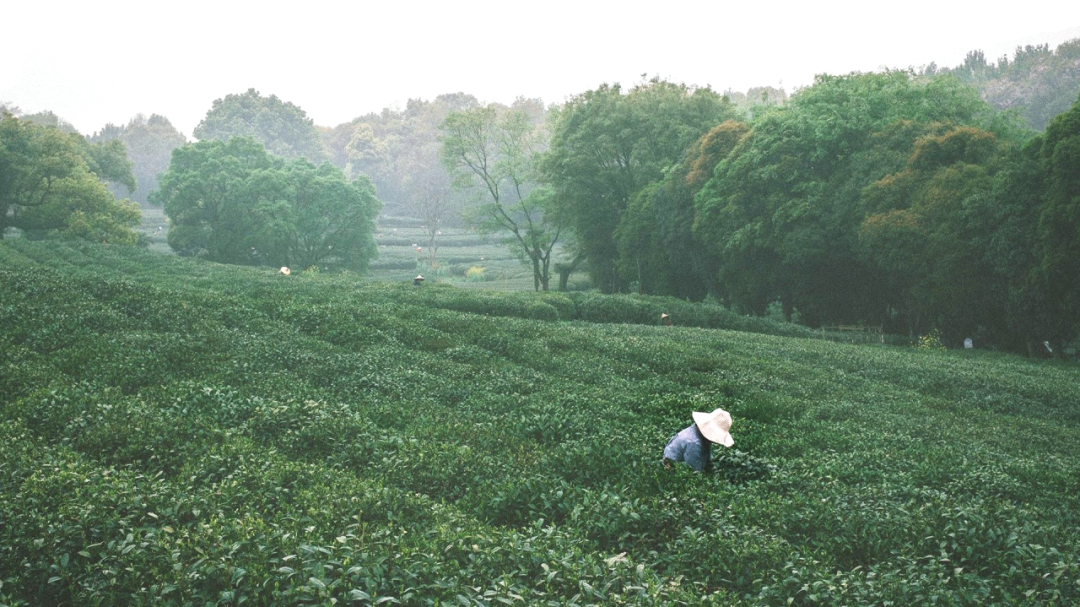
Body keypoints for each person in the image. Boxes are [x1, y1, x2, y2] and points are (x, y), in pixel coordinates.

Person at [663, 408, 734, 472]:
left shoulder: (701, 434)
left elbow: (707, 459)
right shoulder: (693, 443)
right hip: (674, 468)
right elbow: (694, 471)